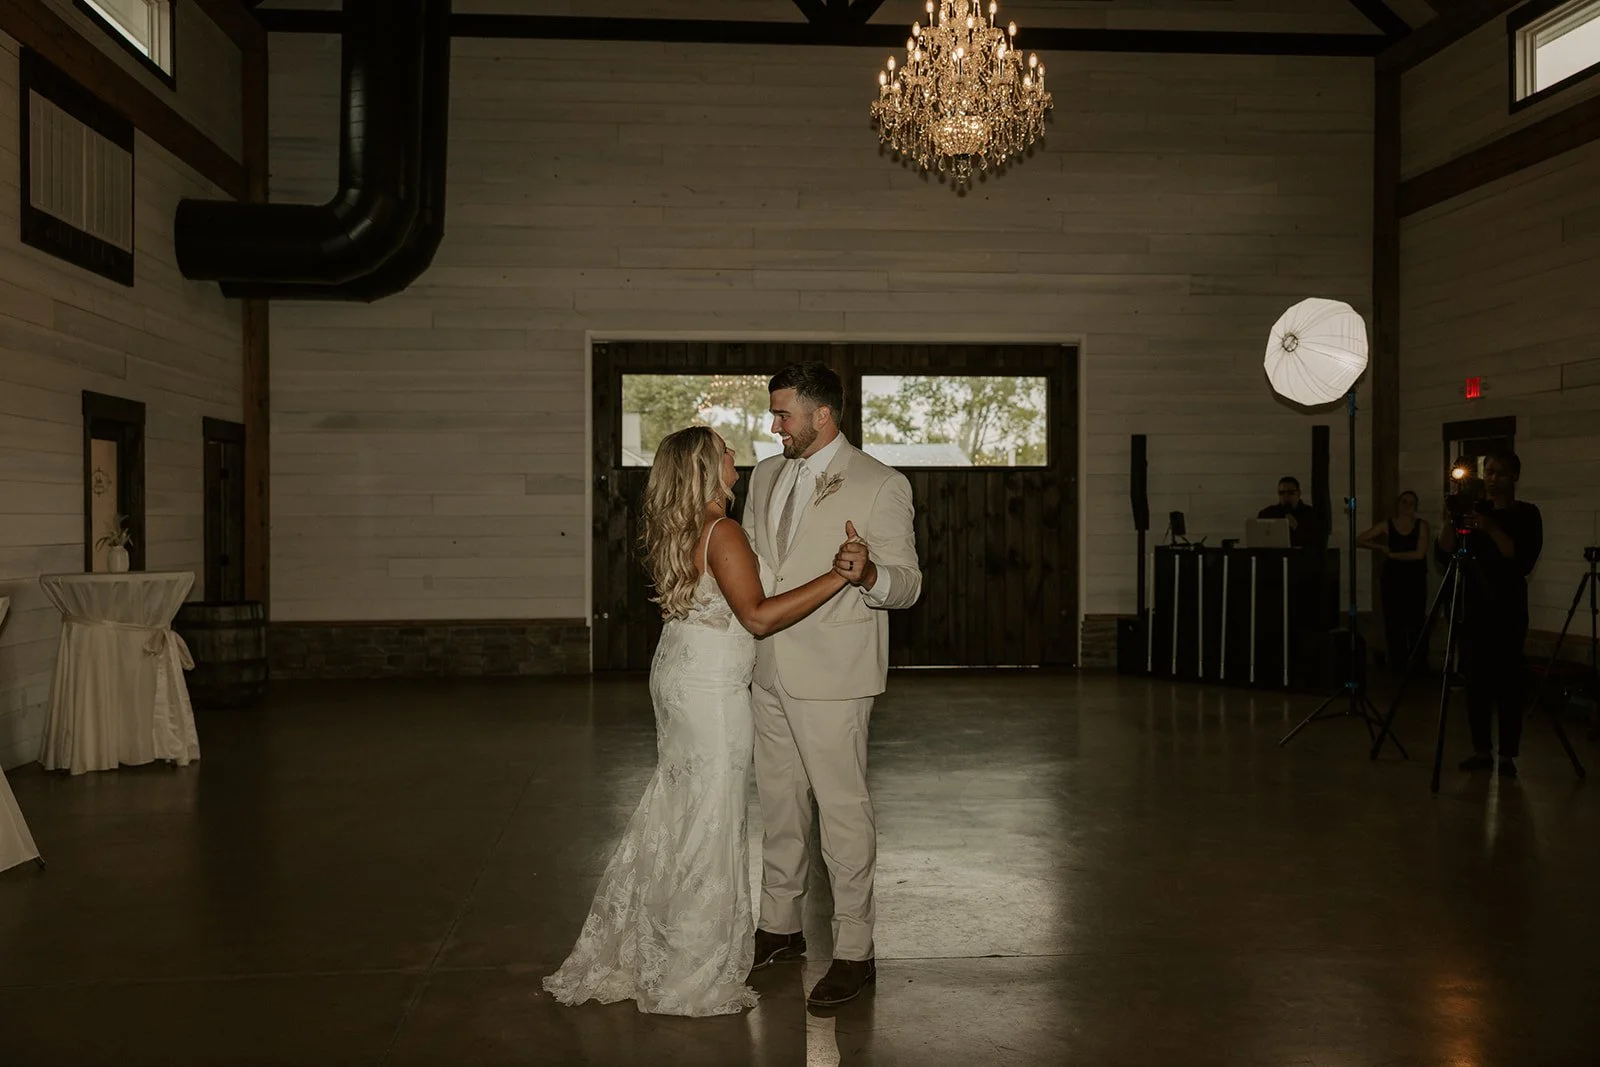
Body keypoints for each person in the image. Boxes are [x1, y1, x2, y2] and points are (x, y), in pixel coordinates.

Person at [543, 426, 852, 1017]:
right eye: (725, 451)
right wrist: (837, 576)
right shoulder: (723, 531)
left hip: (680, 670)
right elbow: (758, 618)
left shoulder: (681, 526)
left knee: (680, 807)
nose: (735, 456)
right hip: (710, 689)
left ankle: (658, 943)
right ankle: (690, 965)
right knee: (711, 813)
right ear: (707, 469)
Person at [741, 361, 922, 1008]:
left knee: (841, 814)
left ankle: (854, 949)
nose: (773, 424)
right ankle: (778, 924)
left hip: (835, 675)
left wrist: (870, 573)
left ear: (822, 415)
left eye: (783, 413)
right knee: (780, 806)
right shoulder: (762, 475)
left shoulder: (879, 483)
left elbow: (908, 583)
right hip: (767, 668)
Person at [1436, 450, 1542, 778]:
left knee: (1510, 684)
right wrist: (1453, 517)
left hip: (1508, 607)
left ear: (1514, 477)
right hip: (1473, 607)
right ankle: (1482, 750)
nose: (1493, 479)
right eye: (1489, 473)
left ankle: (1508, 754)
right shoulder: (1475, 508)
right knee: (1476, 684)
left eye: (1500, 473)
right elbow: (1444, 552)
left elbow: (1520, 560)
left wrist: (1489, 527)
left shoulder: (1526, 514)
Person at [1357, 490, 1430, 669]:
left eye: (1411, 502)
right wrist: (1380, 547)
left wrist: (1393, 554)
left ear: (1416, 506)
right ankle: (1398, 662)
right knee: (1393, 620)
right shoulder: (1388, 525)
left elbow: (1419, 554)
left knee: (1415, 619)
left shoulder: (1421, 525)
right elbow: (1360, 539)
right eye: (1404, 501)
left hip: (1415, 578)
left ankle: (1417, 662)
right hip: (1393, 578)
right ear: (1398, 504)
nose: (1407, 505)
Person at [1257, 476, 1322, 549]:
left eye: (1290, 492)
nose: (1286, 496)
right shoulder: (1267, 514)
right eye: (1282, 493)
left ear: (1299, 493)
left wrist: (1297, 528)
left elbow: (1316, 543)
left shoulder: (1311, 514)